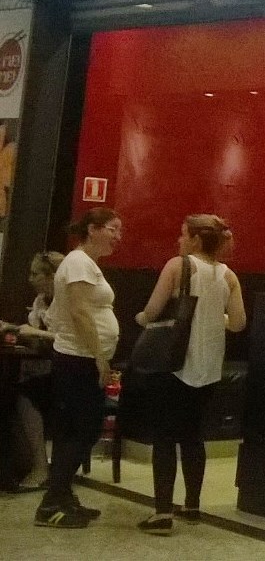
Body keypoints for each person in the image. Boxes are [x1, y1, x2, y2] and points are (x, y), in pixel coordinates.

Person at [134, 214, 246, 536]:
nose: (179, 240)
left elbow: (153, 310)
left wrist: (140, 318)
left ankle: (162, 513)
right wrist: (215, 317)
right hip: (209, 367)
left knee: (164, 437)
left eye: (183, 234)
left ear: (196, 239)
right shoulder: (229, 276)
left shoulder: (177, 266)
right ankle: (192, 505)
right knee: (193, 435)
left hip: (173, 364)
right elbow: (238, 323)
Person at [35, 207, 121, 528]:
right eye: (112, 229)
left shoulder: (88, 265)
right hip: (77, 360)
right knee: (78, 431)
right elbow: (80, 312)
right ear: (93, 229)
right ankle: (50, 504)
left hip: (84, 359)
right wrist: (99, 357)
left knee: (83, 430)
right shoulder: (77, 262)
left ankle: (62, 496)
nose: (118, 236)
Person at [3, 252, 63, 491]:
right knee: (12, 392)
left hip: (68, 369)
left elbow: (68, 339)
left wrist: (32, 333)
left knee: (26, 396)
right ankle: (21, 463)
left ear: (51, 276)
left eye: (35, 273)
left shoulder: (66, 301)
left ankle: (40, 466)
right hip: (44, 366)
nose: (30, 279)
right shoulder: (40, 301)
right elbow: (37, 338)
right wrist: (14, 330)